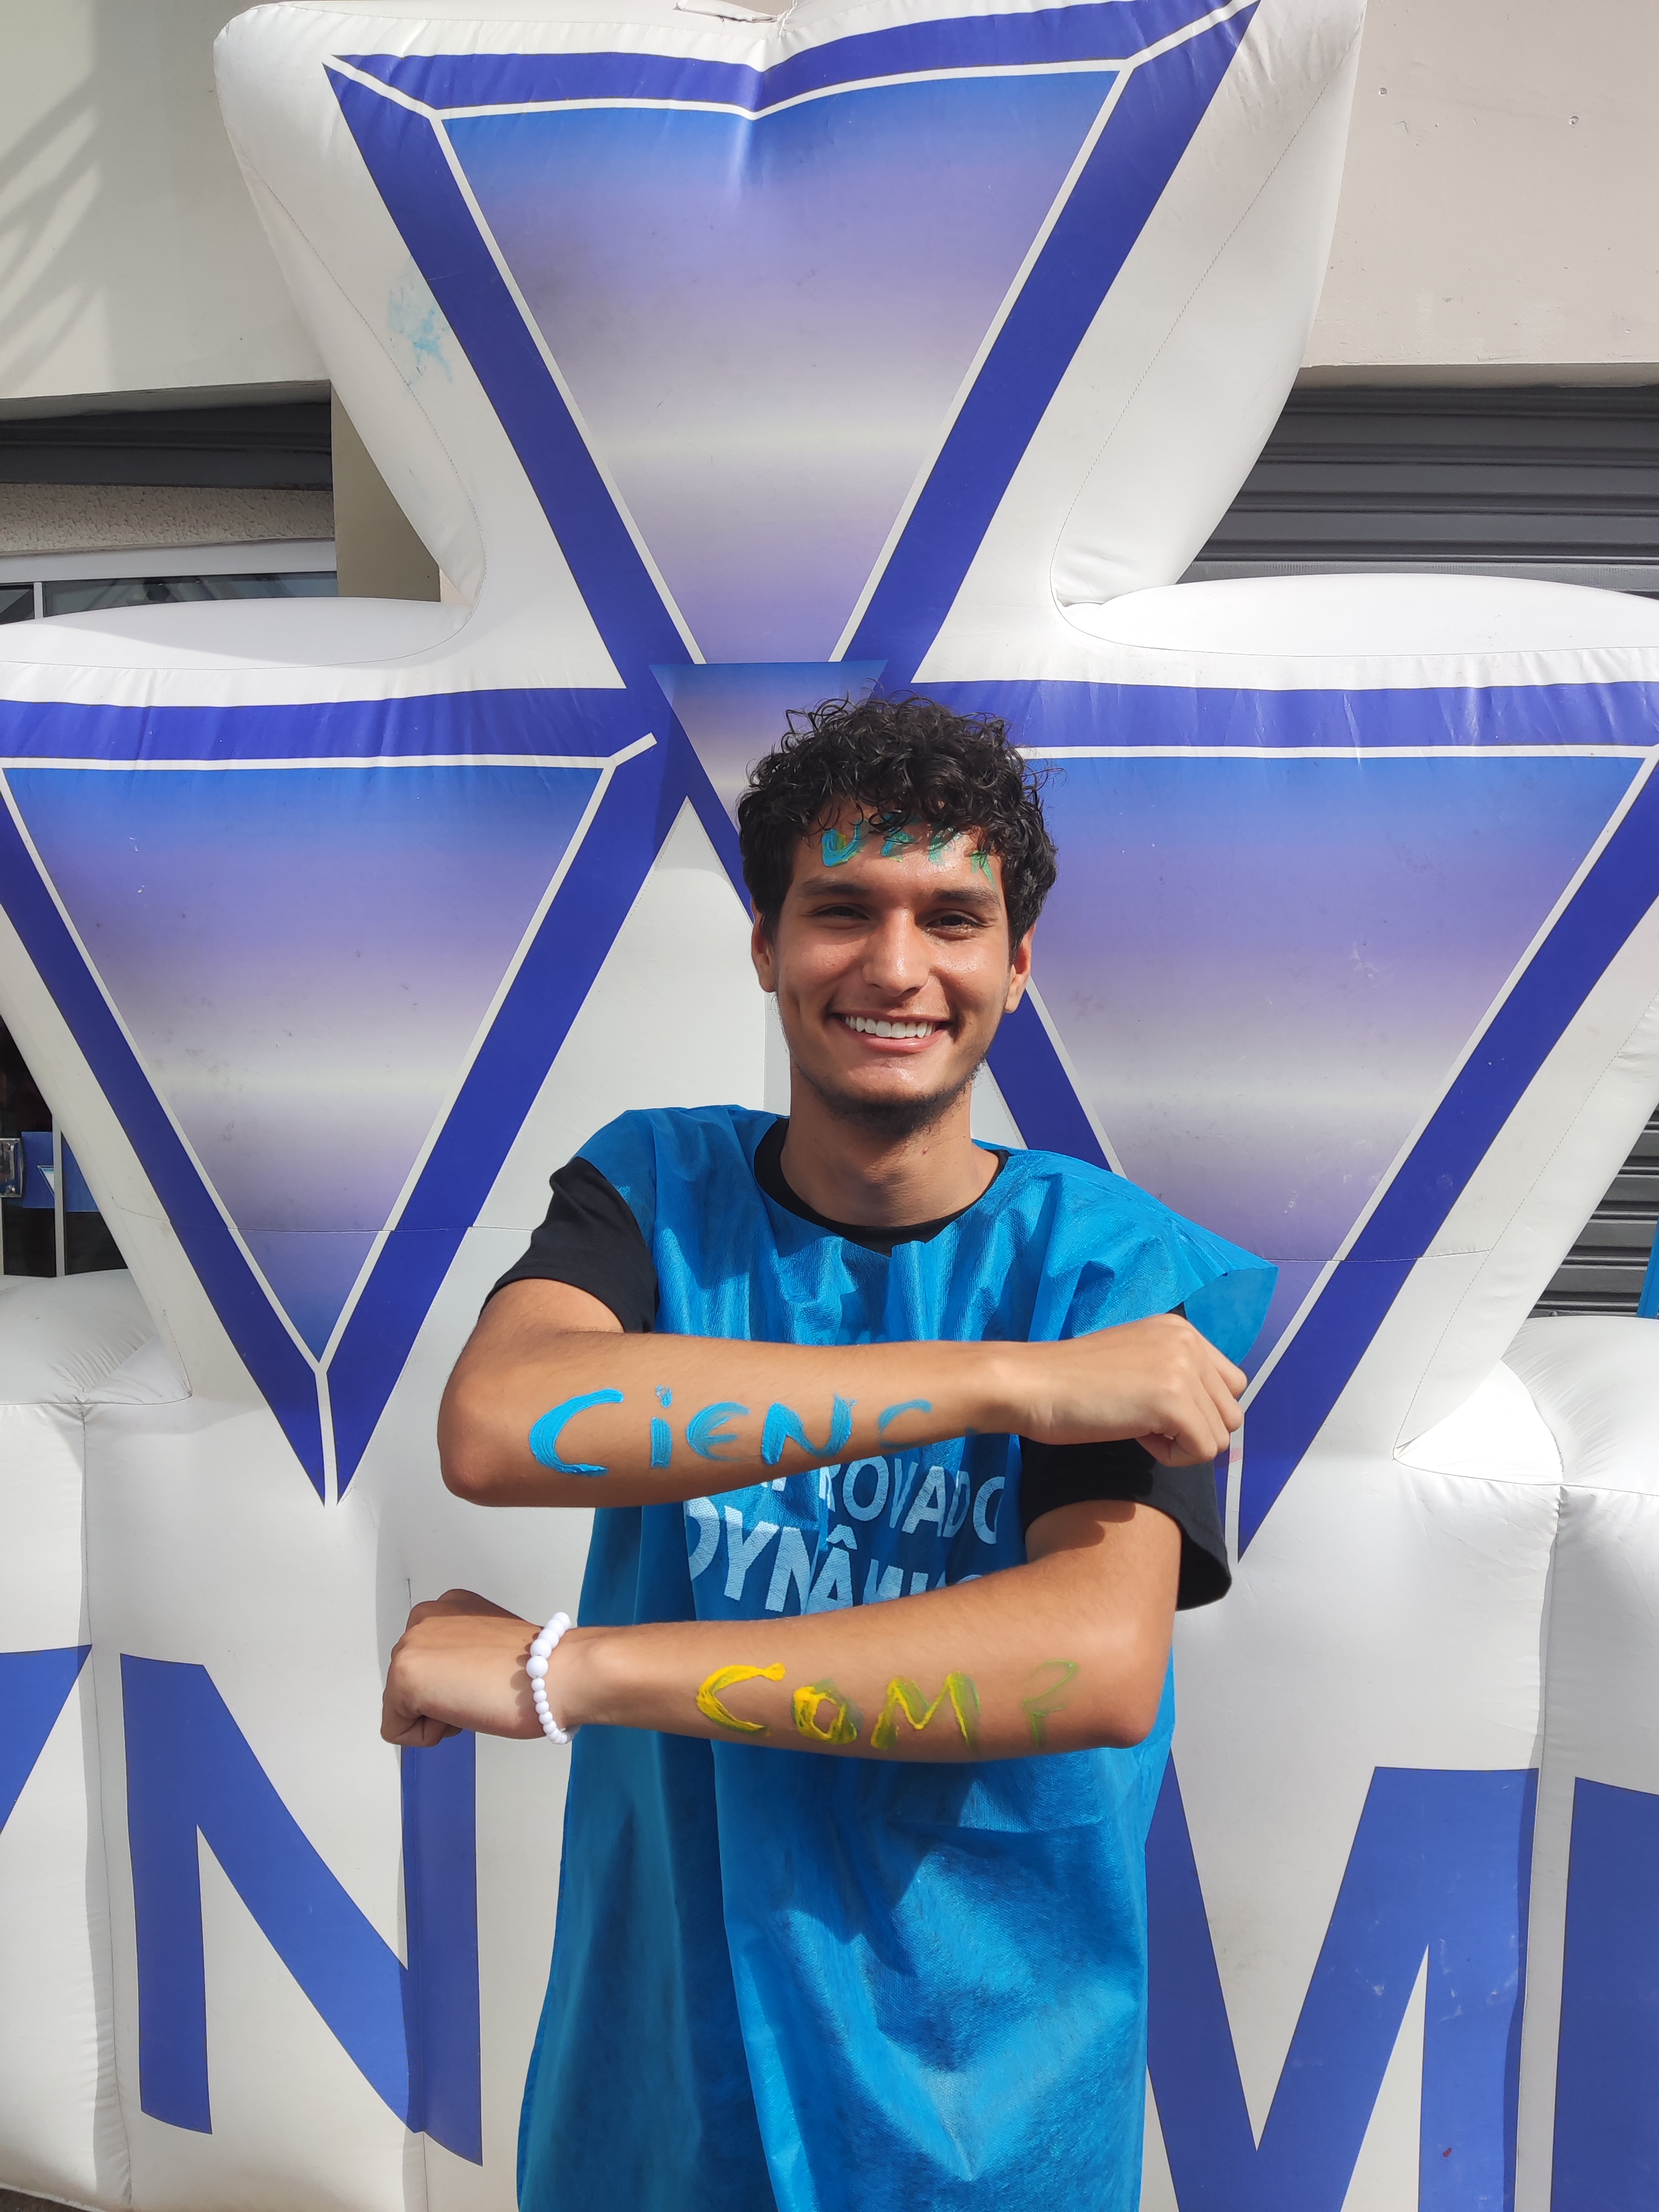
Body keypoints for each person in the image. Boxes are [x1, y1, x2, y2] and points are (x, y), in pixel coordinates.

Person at [382, 695, 1274, 2212]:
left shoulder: (1113, 1271)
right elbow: (500, 1422)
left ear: (1018, 965)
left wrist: (567, 1673)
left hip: (980, 2115)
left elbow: (1090, 1663)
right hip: (662, 2083)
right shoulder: (653, 1186)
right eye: (843, 909)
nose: (896, 965)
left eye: (953, 918)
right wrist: (1006, 1380)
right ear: (766, 944)